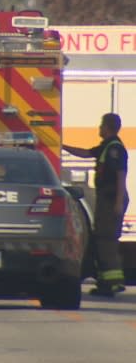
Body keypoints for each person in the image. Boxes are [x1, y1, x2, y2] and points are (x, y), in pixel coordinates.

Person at [63, 113, 130, 297]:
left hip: (111, 199)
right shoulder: (106, 147)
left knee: (107, 240)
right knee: (101, 239)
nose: (99, 128)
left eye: (101, 125)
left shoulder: (115, 149)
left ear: (107, 127)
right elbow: (85, 153)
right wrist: (62, 146)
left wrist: (117, 203)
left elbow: (120, 176)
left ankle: (113, 283)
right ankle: (105, 283)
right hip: (106, 199)